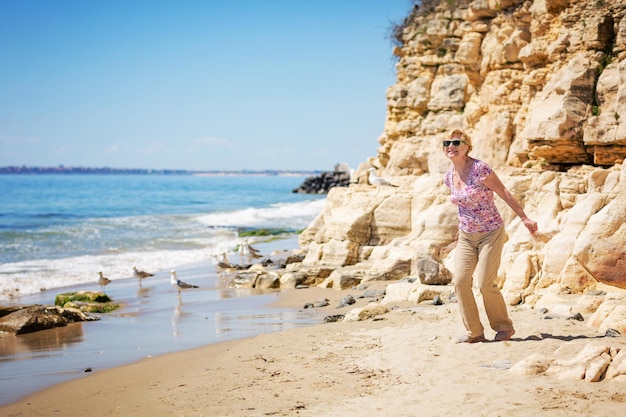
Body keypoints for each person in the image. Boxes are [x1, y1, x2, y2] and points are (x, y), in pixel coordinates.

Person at [442, 129, 537, 343]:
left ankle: (504, 327)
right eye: (447, 142)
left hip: (490, 233)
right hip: (466, 236)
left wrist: (525, 218)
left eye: (456, 142)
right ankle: (474, 332)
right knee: (460, 281)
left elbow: (504, 192)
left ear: (467, 146)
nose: (451, 146)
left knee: (485, 282)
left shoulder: (479, 169)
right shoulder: (449, 176)